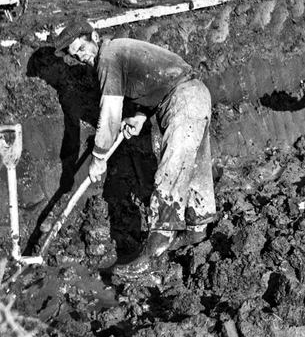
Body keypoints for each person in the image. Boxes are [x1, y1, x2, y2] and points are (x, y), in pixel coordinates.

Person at [52, 19, 215, 273]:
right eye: (75, 55)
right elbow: (155, 80)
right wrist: (140, 116)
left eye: (81, 49)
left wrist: (99, 157)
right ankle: (196, 233)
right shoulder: (116, 51)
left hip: (183, 98)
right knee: (193, 167)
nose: (81, 57)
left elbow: (110, 114)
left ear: (94, 36)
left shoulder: (107, 58)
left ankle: (153, 256)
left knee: (171, 171)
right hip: (193, 94)